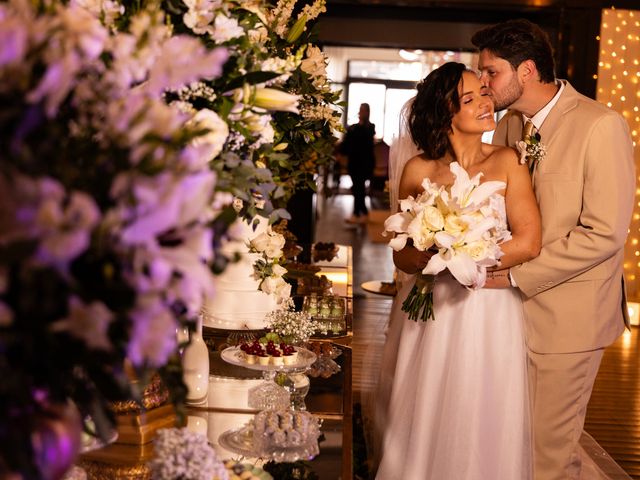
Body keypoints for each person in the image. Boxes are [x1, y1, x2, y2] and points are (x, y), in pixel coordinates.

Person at [472, 19, 635, 480]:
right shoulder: (507, 128)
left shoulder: (600, 125)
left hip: (569, 319)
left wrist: (518, 274)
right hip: (507, 316)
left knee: (548, 456)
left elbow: (604, 233)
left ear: (525, 71)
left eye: (490, 73)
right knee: (512, 443)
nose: (483, 84)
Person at [374, 62, 541, 479]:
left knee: (482, 404)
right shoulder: (418, 170)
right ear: (445, 113)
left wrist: (468, 257)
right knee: (425, 402)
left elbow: (528, 241)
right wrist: (435, 259)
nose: (486, 103)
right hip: (432, 311)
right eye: (471, 99)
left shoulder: (507, 162)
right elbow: (402, 255)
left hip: (488, 309)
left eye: (484, 93)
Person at [340, 102, 375, 223]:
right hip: (354, 162)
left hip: (365, 163)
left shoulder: (370, 127)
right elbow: (347, 144)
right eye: (360, 110)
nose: (361, 112)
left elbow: (364, 142)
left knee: (359, 189)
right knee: (357, 188)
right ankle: (362, 212)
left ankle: (358, 213)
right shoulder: (353, 127)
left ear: (367, 112)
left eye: (364, 110)